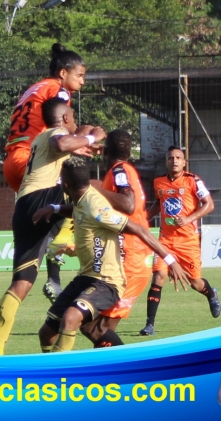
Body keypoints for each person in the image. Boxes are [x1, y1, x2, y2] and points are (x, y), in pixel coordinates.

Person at [36, 157, 189, 353]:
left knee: (71, 318)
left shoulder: (96, 206)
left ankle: (57, 377)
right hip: (85, 278)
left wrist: (170, 259)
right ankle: (127, 364)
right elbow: (76, 210)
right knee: (48, 333)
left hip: (106, 282)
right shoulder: (82, 198)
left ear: (66, 185)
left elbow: (139, 229)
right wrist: (55, 208)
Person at [0, 98, 105, 355]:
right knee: (89, 189)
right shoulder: (57, 133)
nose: (74, 122)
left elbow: (68, 144)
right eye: (72, 117)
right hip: (43, 197)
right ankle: (69, 249)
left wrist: (86, 139)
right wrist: (91, 137)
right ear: (64, 118)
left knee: (22, 282)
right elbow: (63, 142)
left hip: (23, 206)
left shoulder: (40, 139)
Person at [2, 43, 88, 304]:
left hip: (14, 160)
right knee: (83, 192)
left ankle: (50, 271)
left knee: (44, 218)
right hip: (33, 158)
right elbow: (61, 121)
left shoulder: (34, 87)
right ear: (63, 73)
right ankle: (58, 255)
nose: (82, 81)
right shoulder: (58, 91)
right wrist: (82, 137)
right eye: (80, 75)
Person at [79, 130, 161, 347]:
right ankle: (114, 375)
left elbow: (128, 204)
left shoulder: (120, 171)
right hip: (127, 258)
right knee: (91, 325)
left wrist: (96, 188)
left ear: (105, 151)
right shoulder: (122, 171)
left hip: (130, 261)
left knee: (96, 327)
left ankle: (130, 373)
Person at [140, 146, 220, 337]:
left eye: (178, 158)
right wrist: (142, 219)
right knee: (158, 275)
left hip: (188, 241)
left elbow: (209, 205)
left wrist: (188, 219)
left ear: (184, 162)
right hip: (165, 240)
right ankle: (149, 325)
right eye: (170, 158)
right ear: (166, 162)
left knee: (195, 282)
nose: (174, 160)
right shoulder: (158, 182)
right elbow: (157, 205)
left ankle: (211, 294)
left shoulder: (193, 180)